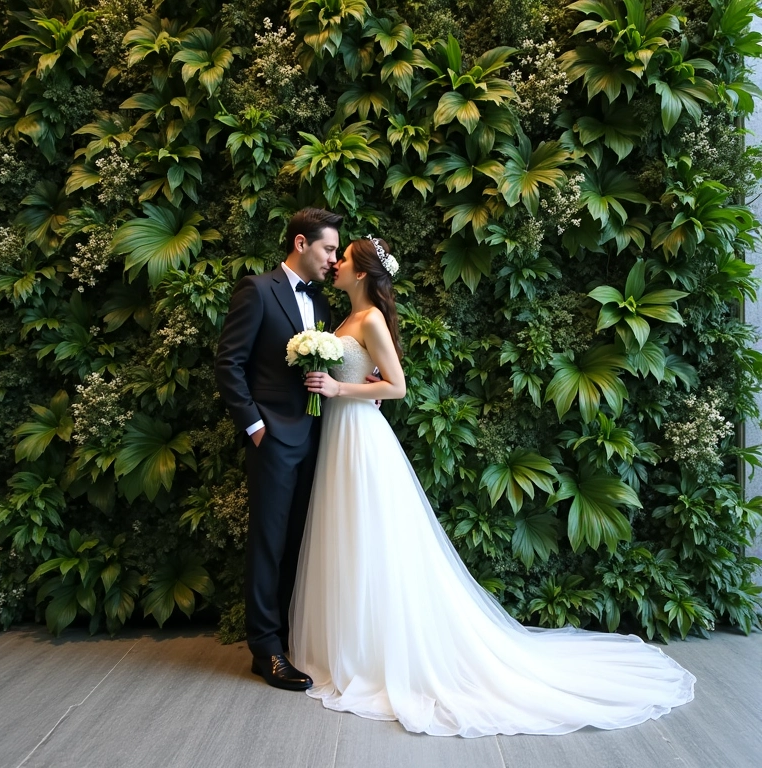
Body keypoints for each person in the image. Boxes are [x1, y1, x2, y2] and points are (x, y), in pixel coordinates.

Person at [290, 235, 696, 737]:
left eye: (344, 260)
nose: (336, 266)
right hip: (338, 433)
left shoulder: (369, 318)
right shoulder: (346, 318)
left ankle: (377, 654)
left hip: (359, 438)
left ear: (363, 272)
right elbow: (373, 377)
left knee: (369, 537)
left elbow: (396, 386)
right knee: (344, 538)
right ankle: (345, 645)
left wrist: (338, 388)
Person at [214, 207, 343, 691]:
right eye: (328, 248)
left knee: (298, 543)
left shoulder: (324, 305)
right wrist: (254, 428)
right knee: (268, 543)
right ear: (300, 243)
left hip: (317, 440)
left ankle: (290, 638)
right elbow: (230, 364)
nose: (333, 258)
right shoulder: (257, 289)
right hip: (272, 438)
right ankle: (265, 650)